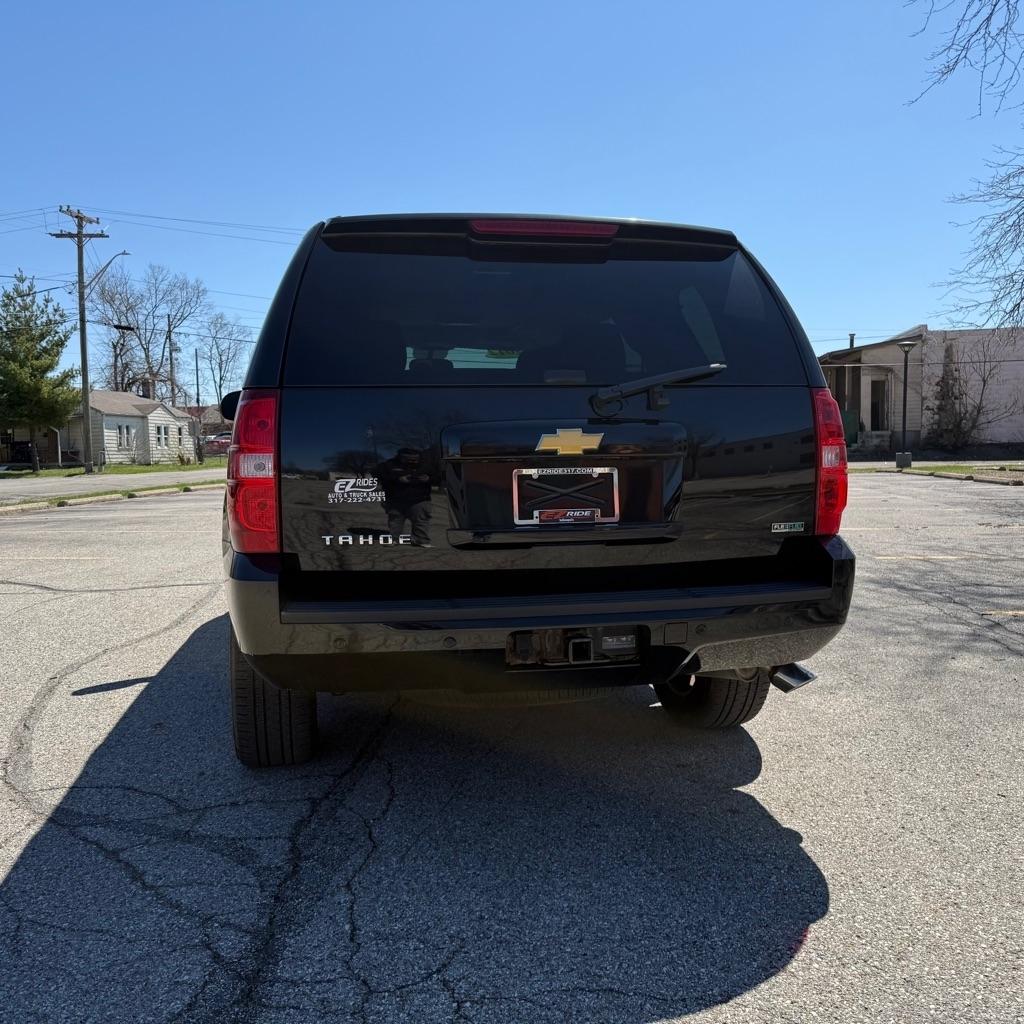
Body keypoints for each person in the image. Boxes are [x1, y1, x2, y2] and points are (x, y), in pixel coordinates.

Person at [378, 448, 433, 547]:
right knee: (395, 520)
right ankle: (394, 539)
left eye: (415, 459)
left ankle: (420, 540)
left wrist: (429, 479)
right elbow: (380, 477)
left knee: (421, 520)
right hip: (395, 498)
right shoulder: (388, 465)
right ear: (400, 457)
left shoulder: (426, 465)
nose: (413, 462)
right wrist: (397, 479)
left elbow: (439, 477)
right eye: (409, 459)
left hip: (420, 498)